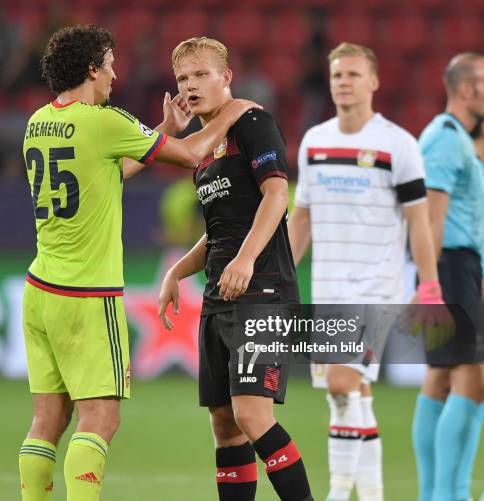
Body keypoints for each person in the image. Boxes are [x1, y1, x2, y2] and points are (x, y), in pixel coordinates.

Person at [18, 25, 258, 501]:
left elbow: (111, 169)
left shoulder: (38, 122)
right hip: (87, 295)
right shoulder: (104, 120)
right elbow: (193, 153)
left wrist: (163, 129)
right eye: (108, 63)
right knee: (101, 420)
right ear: (91, 68)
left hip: (40, 289)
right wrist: (233, 111)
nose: (114, 73)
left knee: (47, 422)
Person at [157, 37, 313, 501]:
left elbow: (277, 195)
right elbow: (219, 230)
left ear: (226, 78)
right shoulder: (202, 151)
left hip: (262, 288)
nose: (191, 85)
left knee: (252, 416)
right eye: (183, 78)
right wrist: (177, 272)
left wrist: (245, 258)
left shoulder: (253, 122)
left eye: (201, 74)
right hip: (219, 295)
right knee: (225, 426)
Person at [287, 42, 441, 501]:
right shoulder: (314, 142)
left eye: (353, 74)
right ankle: (371, 495)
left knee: (339, 383)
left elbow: (420, 221)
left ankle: (337, 494)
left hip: (379, 283)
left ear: (373, 81)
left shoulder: (398, 144)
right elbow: (303, 218)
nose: (344, 82)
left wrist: (429, 285)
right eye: (337, 75)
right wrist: (280, 275)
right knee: (353, 395)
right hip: (330, 284)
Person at [413, 52, 484, 501]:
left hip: (461, 268)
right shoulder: (445, 139)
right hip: (450, 268)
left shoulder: (457, 139)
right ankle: (447, 495)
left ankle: (436, 495)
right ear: (466, 88)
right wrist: (430, 286)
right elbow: (431, 219)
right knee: (471, 380)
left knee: (441, 378)